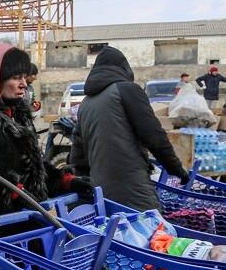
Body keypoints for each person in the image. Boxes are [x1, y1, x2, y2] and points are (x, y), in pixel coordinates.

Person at [0, 44, 91, 224]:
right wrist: (12, 193)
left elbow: (30, 168)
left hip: (24, 222)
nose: (24, 84)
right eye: (15, 77)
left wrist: (65, 181)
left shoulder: (16, 115)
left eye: (24, 77)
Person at [71, 46, 189, 212]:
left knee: (116, 236)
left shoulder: (85, 104)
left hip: (102, 194)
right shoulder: (127, 90)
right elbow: (154, 136)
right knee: (154, 233)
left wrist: (85, 183)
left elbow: (78, 154)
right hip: (133, 188)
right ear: (124, 68)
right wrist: (176, 169)